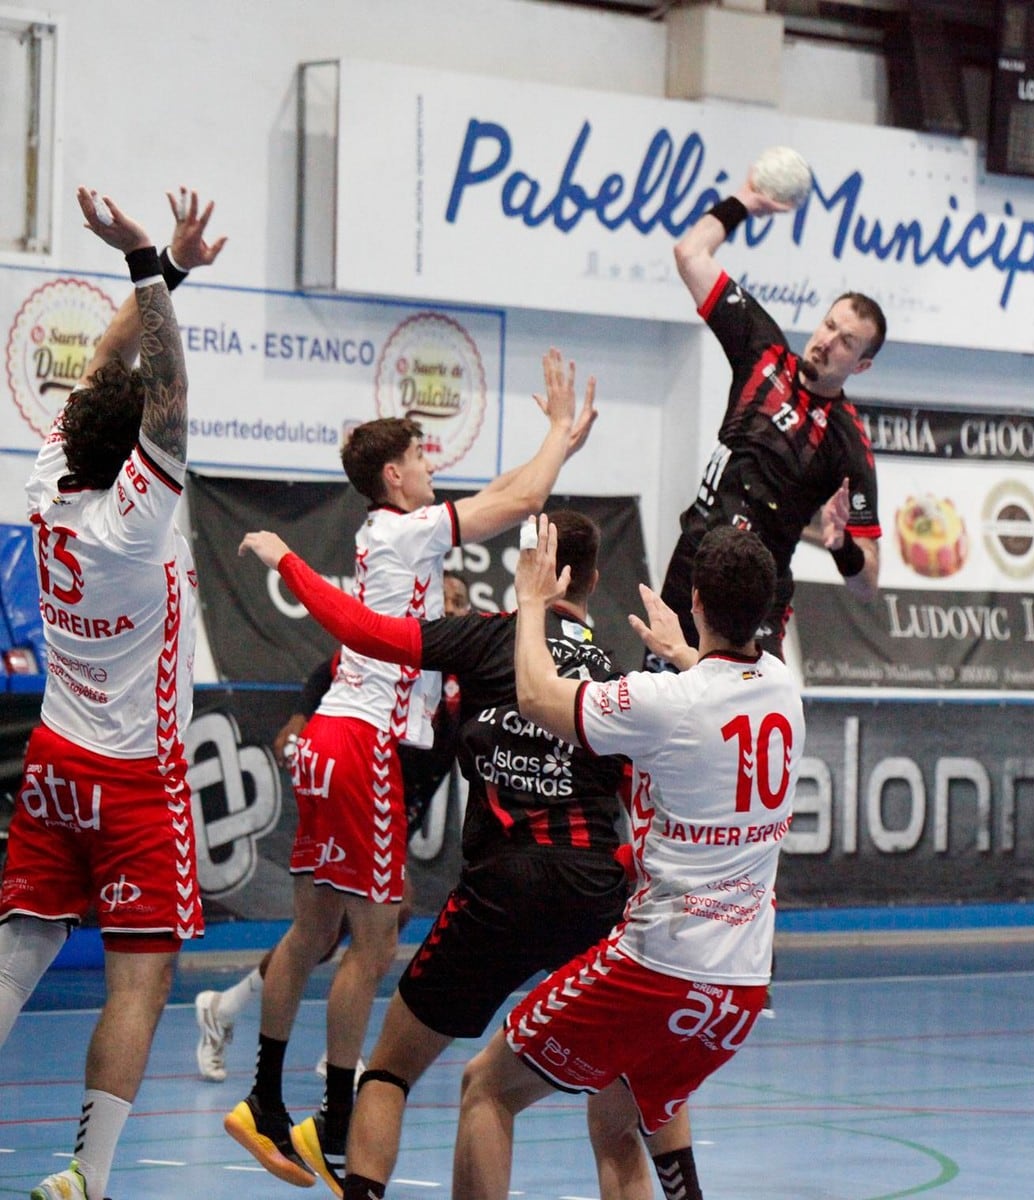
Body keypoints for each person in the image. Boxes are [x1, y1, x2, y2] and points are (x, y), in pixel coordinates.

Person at [237, 511, 707, 1200]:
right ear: (594, 580)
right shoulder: (612, 677)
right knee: (633, 1082)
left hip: (499, 893)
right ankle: (686, 1189)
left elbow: (365, 632)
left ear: (531, 570)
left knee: (390, 1073)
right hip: (593, 896)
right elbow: (653, 799)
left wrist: (287, 559)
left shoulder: (486, 638)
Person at [225, 351, 596, 1192]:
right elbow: (522, 500)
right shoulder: (405, 525)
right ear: (396, 475)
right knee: (377, 941)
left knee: (314, 931)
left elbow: (507, 489)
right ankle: (335, 1114)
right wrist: (555, 436)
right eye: (425, 458)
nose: (436, 469)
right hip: (363, 744)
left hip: (328, 737)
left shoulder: (381, 533)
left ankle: (263, 1099)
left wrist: (552, 448)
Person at [450, 518, 801, 1200]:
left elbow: (535, 696)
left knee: (485, 1089)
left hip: (658, 966)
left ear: (695, 600)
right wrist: (687, 653)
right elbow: (726, 689)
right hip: (741, 985)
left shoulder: (666, 702)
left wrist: (527, 603)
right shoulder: (784, 690)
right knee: (615, 1117)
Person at [0, 186, 225, 1200]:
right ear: (136, 449)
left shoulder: (50, 480)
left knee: (22, 942)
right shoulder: (138, 518)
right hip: (135, 777)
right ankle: (86, 1176)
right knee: (141, 977)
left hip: (54, 758)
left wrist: (162, 268)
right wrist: (146, 263)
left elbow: (103, 368)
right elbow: (163, 391)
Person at [193, 575, 469, 1084]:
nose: (450, 609)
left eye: (459, 603)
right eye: (443, 601)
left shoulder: (460, 675)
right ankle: (333, 1061)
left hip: (393, 807)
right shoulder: (398, 650)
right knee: (364, 931)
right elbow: (330, 670)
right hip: (358, 791)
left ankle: (227, 1008)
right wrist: (300, 716)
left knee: (335, 930)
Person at [658, 155, 887, 661]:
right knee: (655, 731)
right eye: (828, 326)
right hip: (689, 573)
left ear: (861, 366)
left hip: (753, 607)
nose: (827, 341)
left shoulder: (848, 442)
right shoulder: (762, 349)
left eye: (846, 341)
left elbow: (868, 582)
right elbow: (690, 253)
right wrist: (746, 202)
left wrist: (840, 545)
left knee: (736, 733)